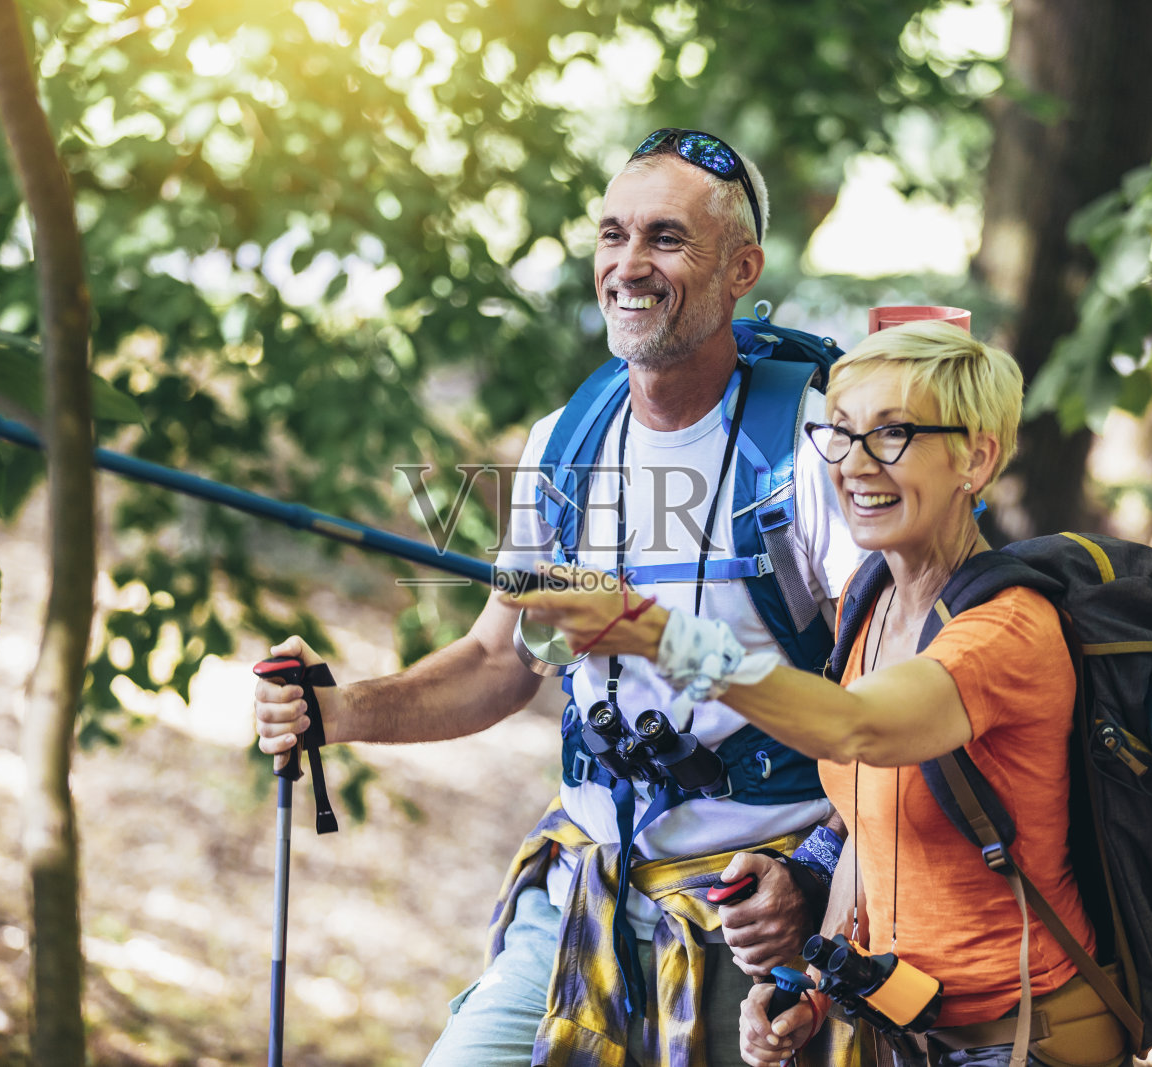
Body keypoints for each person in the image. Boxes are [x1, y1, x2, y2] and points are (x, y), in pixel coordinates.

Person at [253, 129, 867, 1066]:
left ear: (741, 269)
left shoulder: (809, 452)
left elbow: (888, 714)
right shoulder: (566, 441)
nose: (630, 264)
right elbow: (499, 660)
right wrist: (335, 712)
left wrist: (815, 875)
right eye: (613, 234)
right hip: (587, 896)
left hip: (761, 919)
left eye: (667, 238)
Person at [516, 321, 1130, 1067]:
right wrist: (809, 986)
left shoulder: (1001, 632)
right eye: (839, 433)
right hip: (908, 1030)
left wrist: (653, 633)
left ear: (977, 458)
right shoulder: (876, 604)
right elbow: (867, 830)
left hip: (1027, 1038)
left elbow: (856, 728)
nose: (855, 464)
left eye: (893, 433)